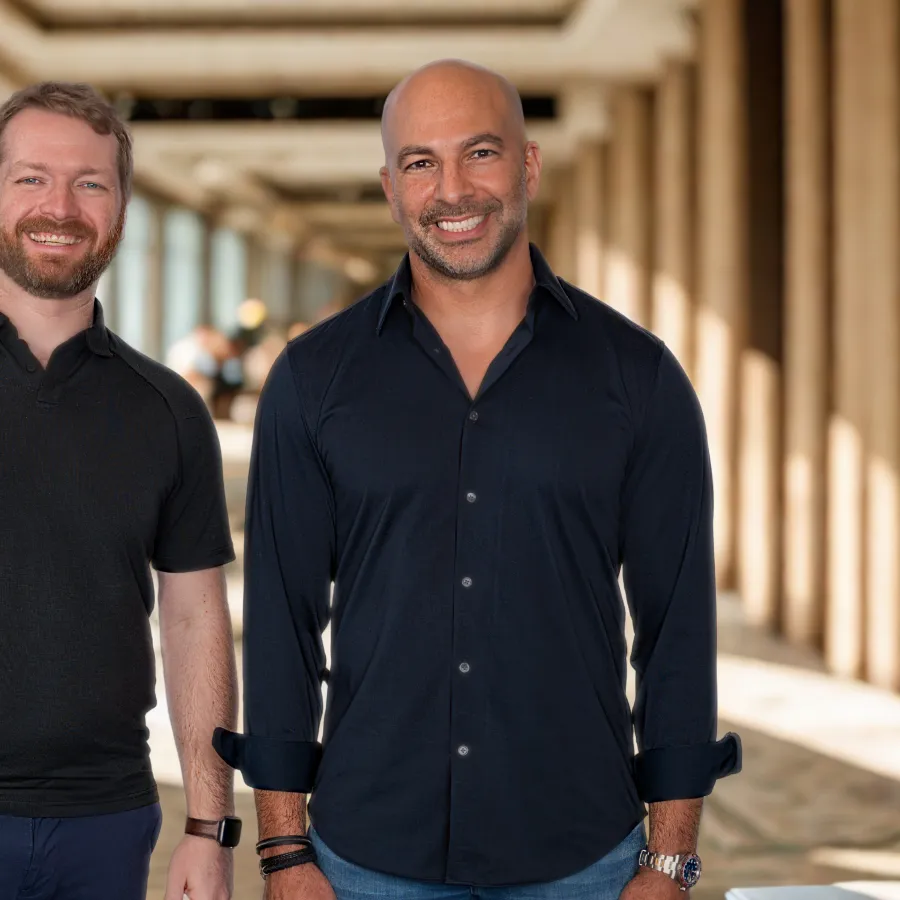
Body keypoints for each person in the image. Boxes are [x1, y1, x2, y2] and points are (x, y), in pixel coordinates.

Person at [215, 60, 741, 900]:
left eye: (480, 154)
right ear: (391, 187)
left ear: (528, 166)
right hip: (363, 860)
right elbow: (281, 624)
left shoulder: (636, 376)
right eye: (421, 162)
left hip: (583, 859)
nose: (452, 190)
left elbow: (677, 632)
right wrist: (285, 852)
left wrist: (669, 860)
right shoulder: (313, 380)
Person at [0, 82, 241, 899]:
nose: (59, 206)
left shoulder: (168, 410)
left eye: (89, 183)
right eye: (31, 178)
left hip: (105, 819)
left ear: (122, 207)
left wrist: (209, 827)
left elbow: (194, 617)